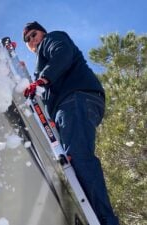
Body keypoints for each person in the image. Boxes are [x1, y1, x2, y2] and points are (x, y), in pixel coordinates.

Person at [22, 21, 119, 225]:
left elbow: (62, 53)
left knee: (79, 157)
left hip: (76, 99)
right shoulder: (41, 65)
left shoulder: (52, 39)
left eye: (34, 34)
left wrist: (42, 79)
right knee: (74, 159)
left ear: (42, 33)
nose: (32, 40)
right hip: (70, 106)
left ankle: (105, 221)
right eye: (28, 39)